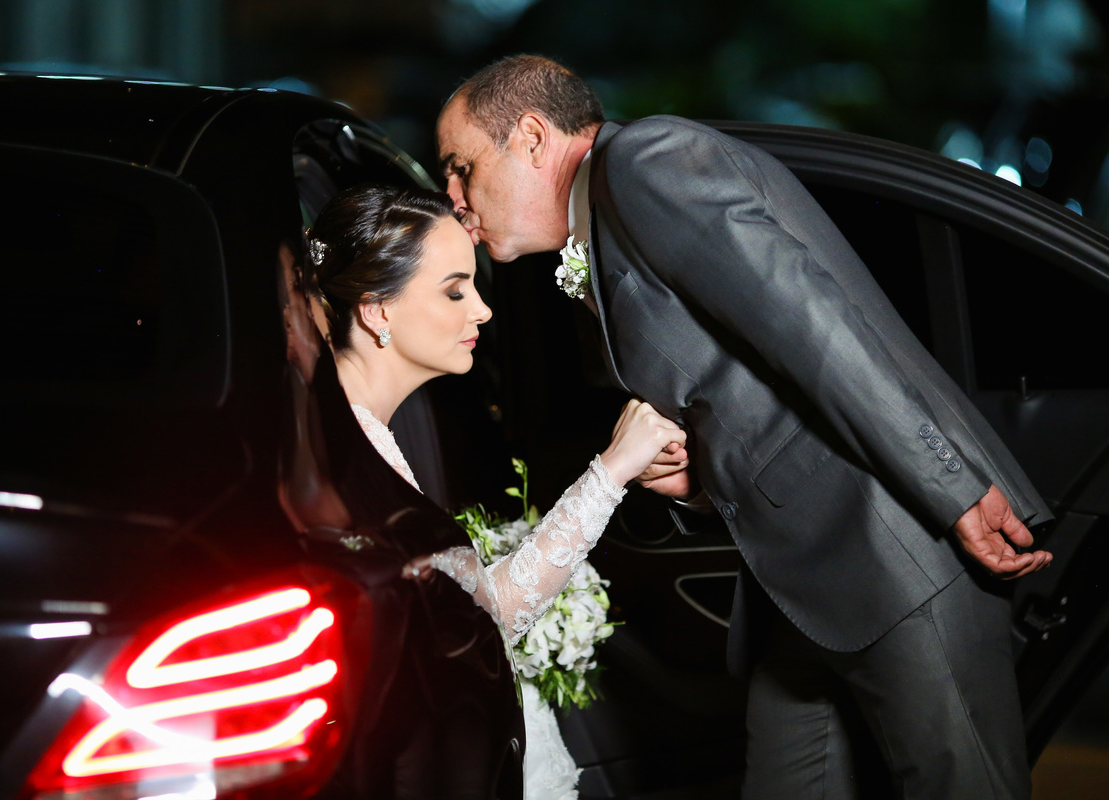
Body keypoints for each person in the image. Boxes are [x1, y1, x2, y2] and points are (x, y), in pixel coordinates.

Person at [435, 54, 1055, 800]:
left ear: (533, 138)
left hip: (898, 545)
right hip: (802, 589)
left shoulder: (645, 163)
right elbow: (753, 386)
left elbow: (817, 332)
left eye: (461, 168)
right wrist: (696, 481)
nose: (453, 197)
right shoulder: (604, 225)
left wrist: (952, 486)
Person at [299, 183, 688, 800]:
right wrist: (612, 471)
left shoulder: (346, 428)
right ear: (377, 312)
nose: (482, 310)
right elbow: (488, 616)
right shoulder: (357, 451)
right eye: (455, 291)